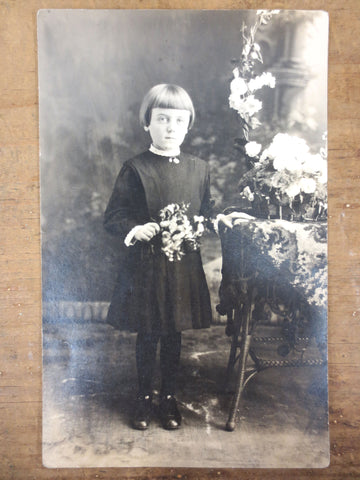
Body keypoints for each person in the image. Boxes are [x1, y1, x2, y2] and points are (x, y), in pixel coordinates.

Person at [104, 84, 247, 431]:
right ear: (147, 123)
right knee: (149, 332)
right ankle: (143, 397)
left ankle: (168, 397)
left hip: (183, 266)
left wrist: (219, 219)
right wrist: (135, 230)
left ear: (188, 125)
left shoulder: (199, 169)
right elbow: (114, 216)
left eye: (179, 121)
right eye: (163, 119)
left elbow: (207, 210)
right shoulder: (135, 168)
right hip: (147, 268)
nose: (171, 127)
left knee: (173, 333)